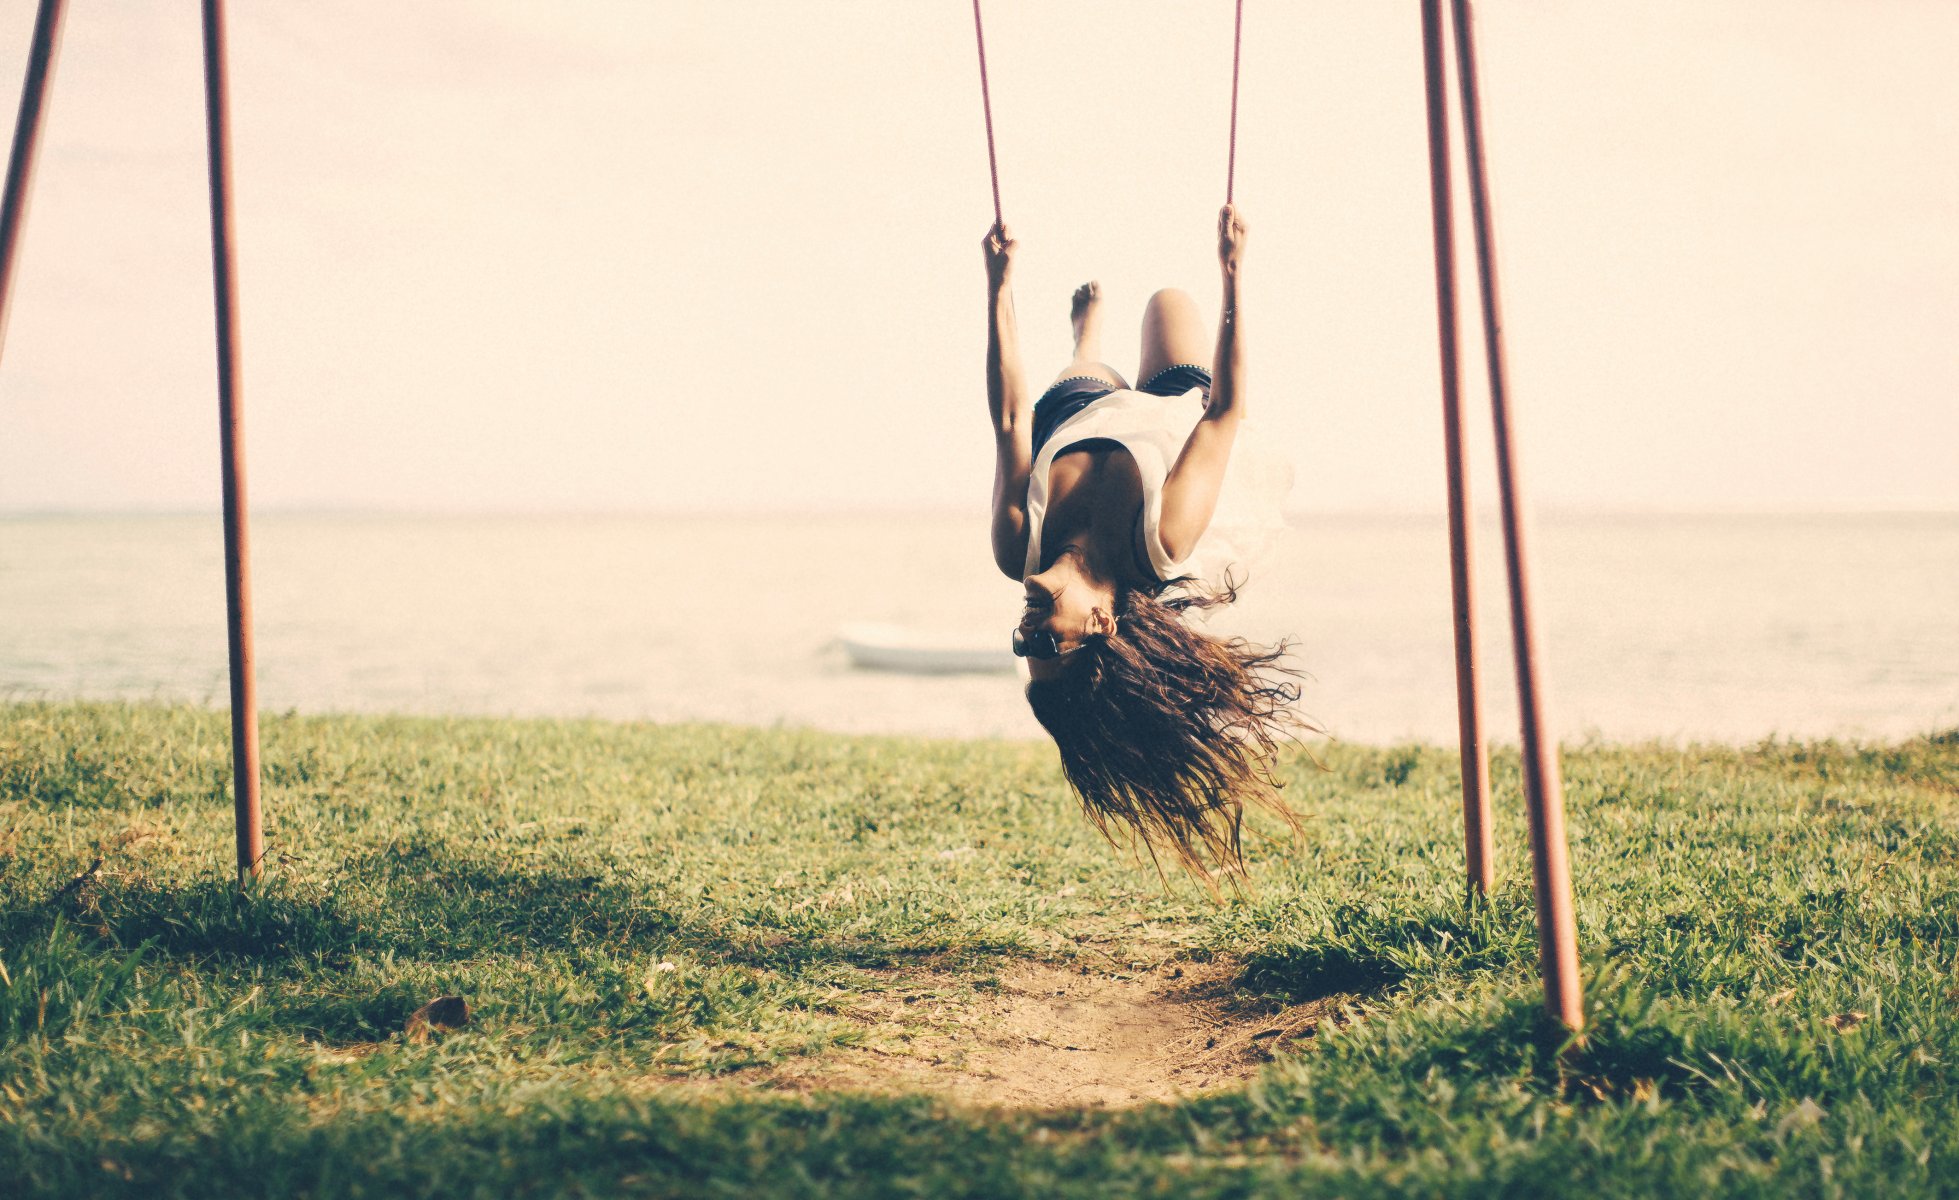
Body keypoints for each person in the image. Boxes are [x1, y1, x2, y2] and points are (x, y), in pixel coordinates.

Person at [982, 205, 1306, 883]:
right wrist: (1234, 273)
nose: (1024, 632)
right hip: (1168, 414)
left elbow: (1010, 418)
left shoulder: (1018, 547)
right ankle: (1097, 340)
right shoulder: (1158, 539)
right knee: (1171, 302)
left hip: (1076, 415)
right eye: (1044, 645)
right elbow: (1223, 414)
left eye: (1021, 646)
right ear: (1100, 623)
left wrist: (999, 286)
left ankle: (1083, 340)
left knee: (1074, 382)